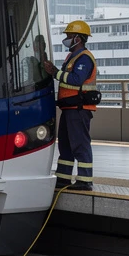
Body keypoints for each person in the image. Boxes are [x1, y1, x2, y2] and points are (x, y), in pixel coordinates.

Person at [44, 20, 98, 191]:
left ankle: (84, 180)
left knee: (80, 144)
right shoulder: (71, 57)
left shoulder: (84, 58)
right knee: (66, 145)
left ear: (78, 38)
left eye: (69, 36)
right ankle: (64, 177)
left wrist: (54, 72)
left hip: (79, 109)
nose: (66, 39)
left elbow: (76, 80)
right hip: (69, 108)